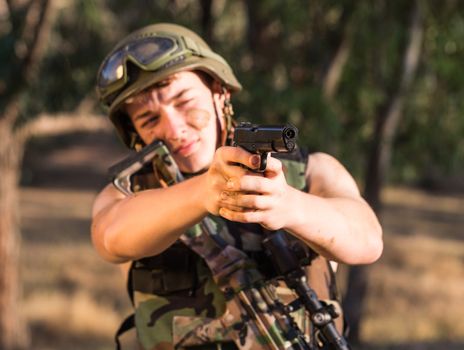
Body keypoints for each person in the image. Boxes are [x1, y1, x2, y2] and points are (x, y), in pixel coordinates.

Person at [91, 23, 383, 350]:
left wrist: (287, 205)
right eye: (148, 120)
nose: (173, 129)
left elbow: (367, 240)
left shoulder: (311, 172)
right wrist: (205, 192)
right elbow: (109, 236)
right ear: (136, 135)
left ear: (220, 91)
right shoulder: (129, 192)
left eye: (184, 101)